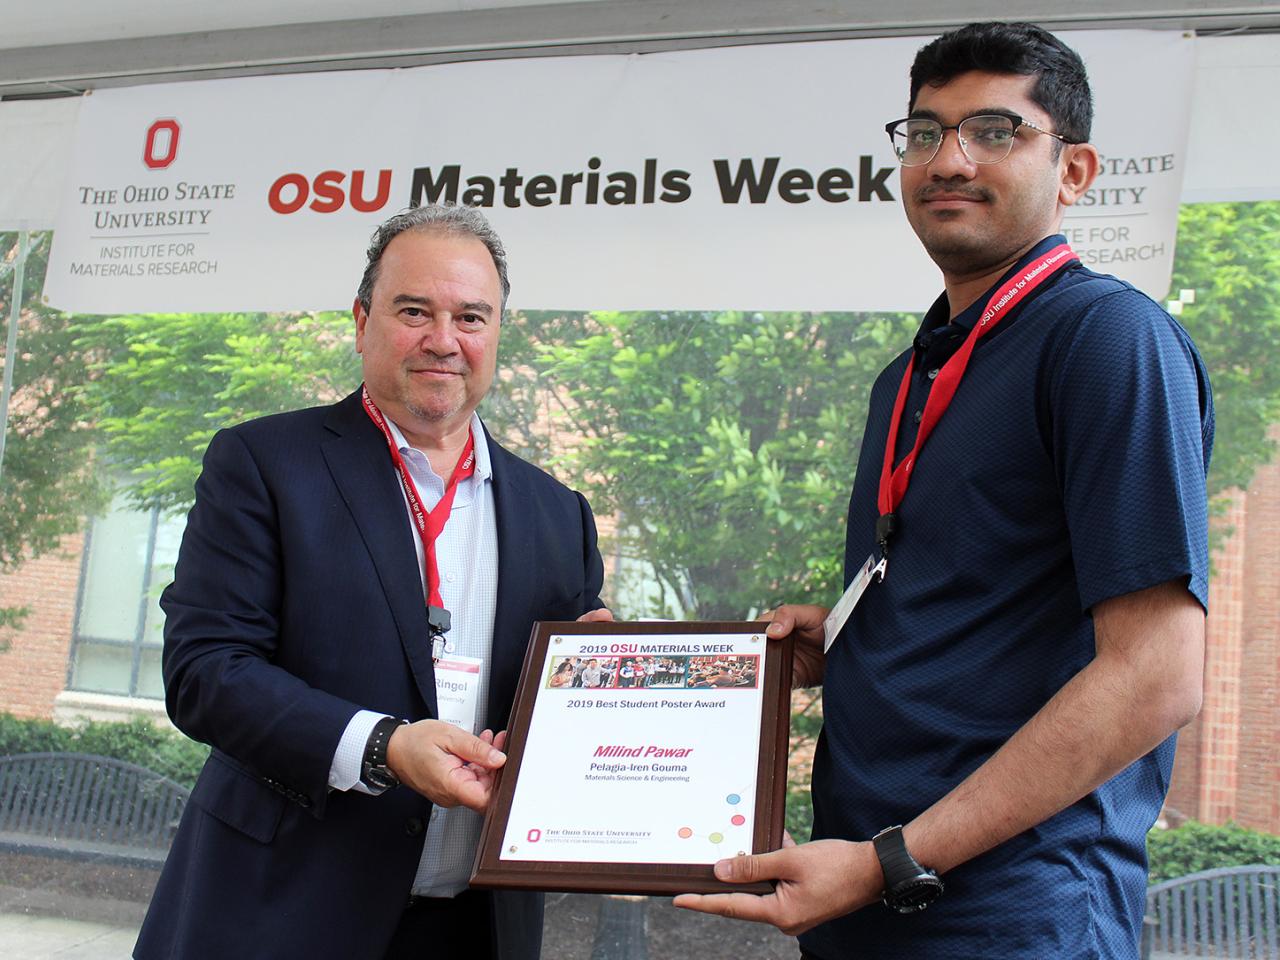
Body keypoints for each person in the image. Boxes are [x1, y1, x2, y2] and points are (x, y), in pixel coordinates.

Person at [676, 22, 1213, 959]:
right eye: (923, 132)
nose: (948, 159)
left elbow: (1155, 675)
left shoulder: (1107, 340)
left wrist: (893, 859)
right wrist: (843, 638)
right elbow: (972, 591)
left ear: (1074, 170)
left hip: (1011, 907)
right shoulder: (913, 370)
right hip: (867, 889)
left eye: (995, 130)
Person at [135, 204, 610, 960]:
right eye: (414, 310)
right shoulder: (263, 464)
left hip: (478, 926)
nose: (444, 341)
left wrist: (602, 682)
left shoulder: (560, 514)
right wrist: (385, 747)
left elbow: (565, 701)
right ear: (362, 321)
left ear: (496, 335)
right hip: (283, 911)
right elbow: (205, 672)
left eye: (471, 317)